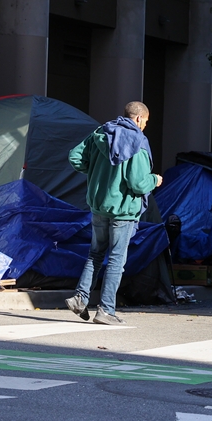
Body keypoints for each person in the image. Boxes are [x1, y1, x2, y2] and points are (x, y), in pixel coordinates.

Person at [65, 101, 162, 325]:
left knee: (95, 254)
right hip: (123, 211)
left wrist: (97, 173)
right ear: (138, 119)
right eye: (145, 122)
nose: (145, 126)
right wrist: (154, 180)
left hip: (99, 206)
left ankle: (80, 298)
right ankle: (106, 310)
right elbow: (137, 184)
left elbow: (74, 157)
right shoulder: (137, 141)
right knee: (117, 260)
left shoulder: (101, 132)